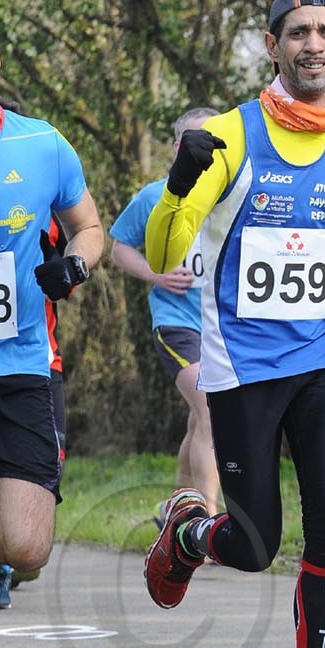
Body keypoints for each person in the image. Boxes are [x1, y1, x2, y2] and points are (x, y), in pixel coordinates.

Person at [142, 0, 325, 648]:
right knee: (254, 546)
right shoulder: (227, 137)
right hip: (242, 368)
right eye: (298, 32)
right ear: (272, 45)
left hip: (321, 362)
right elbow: (165, 255)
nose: (313, 45)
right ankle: (189, 534)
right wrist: (179, 184)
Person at [0, 7, 104, 648]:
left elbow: (91, 226)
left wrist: (76, 265)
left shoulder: (42, 144)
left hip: (22, 368)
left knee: (25, 549)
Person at [109, 108, 220, 518]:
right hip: (177, 322)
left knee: (199, 419)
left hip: (221, 325)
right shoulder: (153, 197)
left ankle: (175, 507)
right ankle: (207, 518)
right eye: (194, 141)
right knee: (209, 409)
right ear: (176, 148)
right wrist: (156, 274)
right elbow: (119, 248)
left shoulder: (231, 196)